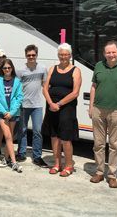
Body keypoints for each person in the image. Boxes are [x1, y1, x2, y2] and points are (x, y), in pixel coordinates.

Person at [89, 41, 117, 189]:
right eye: (108, 52)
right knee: (98, 144)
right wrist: (91, 107)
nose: (111, 55)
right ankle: (99, 172)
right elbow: (94, 87)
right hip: (98, 110)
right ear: (104, 54)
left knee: (115, 145)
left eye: (113, 52)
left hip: (116, 111)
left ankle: (112, 175)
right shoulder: (99, 66)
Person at [42, 43, 82, 177]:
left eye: (65, 54)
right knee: (54, 137)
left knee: (65, 138)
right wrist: (50, 103)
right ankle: (57, 163)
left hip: (66, 108)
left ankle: (69, 165)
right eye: (61, 54)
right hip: (52, 107)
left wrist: (58, 104)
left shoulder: (76, 70)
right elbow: (45, 88)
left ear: (70, 55)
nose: (63, 57)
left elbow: (75, 92)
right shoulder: (53, 68)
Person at [17, 44, 48, 167]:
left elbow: (45, 85)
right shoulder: (20, 70)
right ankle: (22, 153)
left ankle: (37, 156)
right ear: (25, 56)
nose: (31, 57)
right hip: (23, 105)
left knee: (38, 131)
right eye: (29, 55)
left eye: (33, 55)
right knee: (22, 130)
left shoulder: (42, 68)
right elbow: (17, 88)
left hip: (37, 105)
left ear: (36, 55)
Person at [0, 59, 24, 172]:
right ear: (2, 69)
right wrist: (4, 111)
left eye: (9, 68)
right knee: (7, 136)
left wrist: (11, 112)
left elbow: (19, 97)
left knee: (9, 136)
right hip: (2, 113)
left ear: (12, 69)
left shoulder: (17, 81)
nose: (7, 70)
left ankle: (6, 159)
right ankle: (14, 162)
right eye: (5, 68)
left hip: (13, 113)